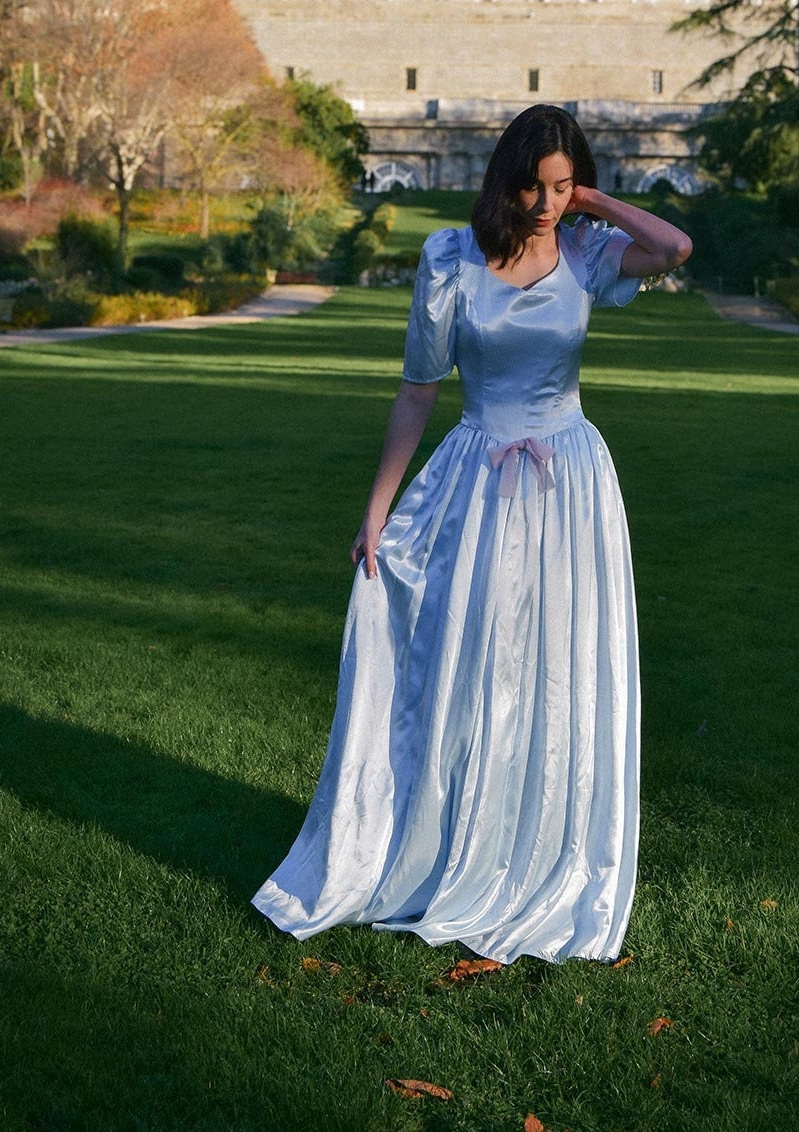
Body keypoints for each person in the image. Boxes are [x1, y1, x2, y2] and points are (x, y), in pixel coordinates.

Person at [252, 104, 692, 965]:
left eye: (561, 186)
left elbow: (675, 250)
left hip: (569, 487)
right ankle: (455, 834)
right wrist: (378, 506)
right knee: (474, 662)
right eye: (534, 185)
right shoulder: (451, 258)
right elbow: (419, 388)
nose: (544, 203)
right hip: (479, 481)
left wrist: (594, 202)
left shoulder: (589, 250)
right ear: (505, 179)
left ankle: (538, 846)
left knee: (555, 669)